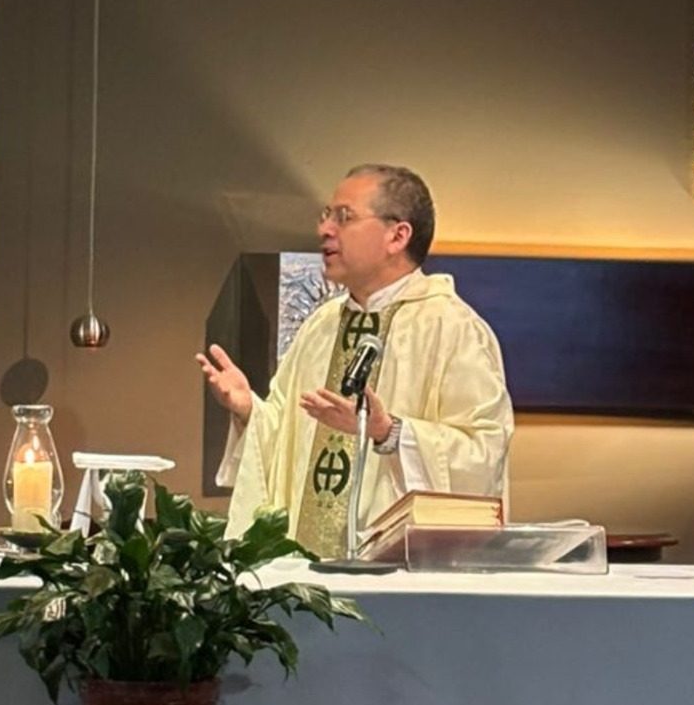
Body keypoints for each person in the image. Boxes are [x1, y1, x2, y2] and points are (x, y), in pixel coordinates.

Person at [196, 165, 513, 557]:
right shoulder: (321, 326)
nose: (325, 229)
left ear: (398, 235)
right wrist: (250, 412)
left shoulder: (452, 328)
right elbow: (287, 448)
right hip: (307, 570)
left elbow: (484, 451)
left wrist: (389, 432)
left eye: (344, 217)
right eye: (326, 215)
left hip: (399, 574)